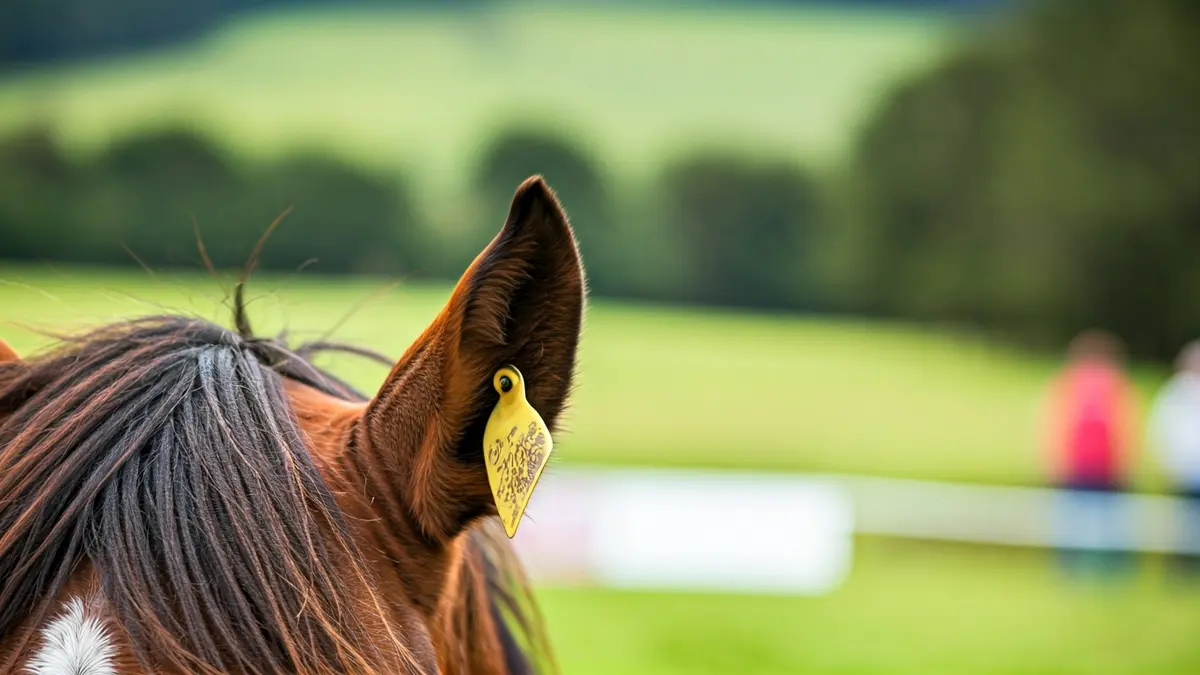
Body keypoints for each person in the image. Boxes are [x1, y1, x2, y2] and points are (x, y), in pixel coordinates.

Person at [1043, 330, 1138, 575]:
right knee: (1099, 521)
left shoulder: (1068, 382)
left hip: (1091, 465)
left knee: (1085, 521)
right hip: (1094, 464)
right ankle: (1099, 570)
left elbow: (1054, 424)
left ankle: (1079, 569)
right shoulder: (1114, 384)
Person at [1148, 341, 1200, 574]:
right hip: (1185, 472)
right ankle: (1183, 569)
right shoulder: (1175, 393)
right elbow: (1162, 431)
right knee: (1183, 527)